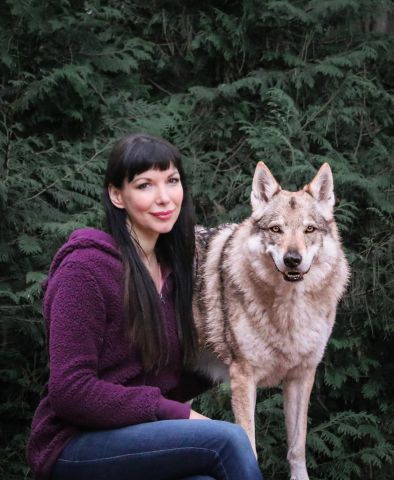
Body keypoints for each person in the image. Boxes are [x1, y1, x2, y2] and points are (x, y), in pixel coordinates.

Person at [26, 133, 263, 480]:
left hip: (135, 438)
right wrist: (174, 413)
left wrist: (250, 357)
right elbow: (70, 391)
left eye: (172, 181)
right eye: (145, 185)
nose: (164, 197)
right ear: (117, 195)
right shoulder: (85, 269)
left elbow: (163, 377)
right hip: (73, 444)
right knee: (227, 440)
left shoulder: (174, 272)